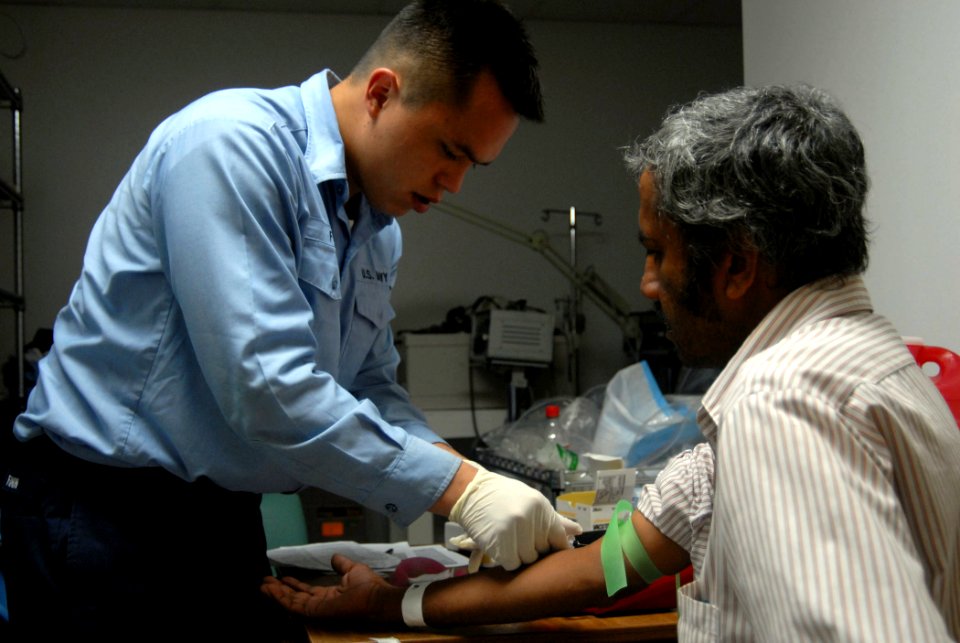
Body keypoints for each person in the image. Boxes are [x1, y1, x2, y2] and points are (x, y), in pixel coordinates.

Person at [262, 84, 960, 641]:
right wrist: (401, 604)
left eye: (658, 252)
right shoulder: (874, 362)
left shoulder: (784, 403)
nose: (648, 284)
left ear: (739, 266)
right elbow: (614, 560)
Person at [0, 1, 582, 640]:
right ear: (383, 93)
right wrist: (461, 488)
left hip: (218, 515)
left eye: (476, 164)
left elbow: (370, 385)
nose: (456, 183)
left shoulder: (376, 230)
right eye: (450, 150)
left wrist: (465, 474)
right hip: (104, 510)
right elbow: (265, 387)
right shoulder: (231, 147)